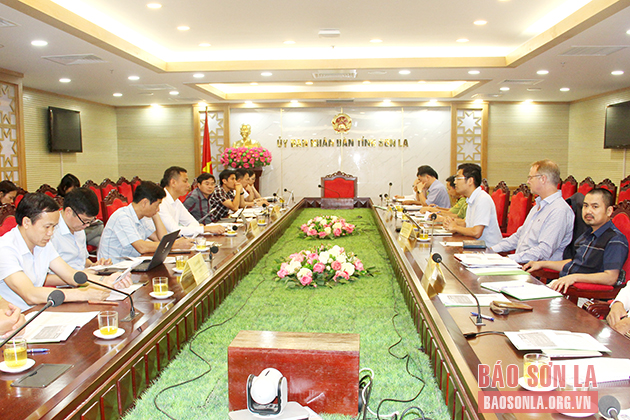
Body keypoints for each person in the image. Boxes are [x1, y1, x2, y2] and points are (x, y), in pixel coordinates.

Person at [0, 193, 132, 311]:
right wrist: (84, 294)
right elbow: (30, 294)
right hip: (16, 320)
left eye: (53, 227)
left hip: (39, 310)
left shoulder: (42, 243)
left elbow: (71, 275)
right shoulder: (5, 249)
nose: (50, 233)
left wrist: (107, 280)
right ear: (26, 222)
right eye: (47, 227)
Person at [524, 188, 629, 293]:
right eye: (585, 206)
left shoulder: (615, 240)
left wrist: (574, 278)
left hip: (584, 294)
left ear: (609, 211)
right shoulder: (587, 234)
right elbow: (574, 263)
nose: (588, 211)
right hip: (565, 286)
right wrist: (542, 264)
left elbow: (610, 277)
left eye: (595, 207)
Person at [491, 160, 574, 263]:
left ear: (543, 179)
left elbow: (544, 251)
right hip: (521, 262)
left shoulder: (559, 210)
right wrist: (491, 250)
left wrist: (509, 259)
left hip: (538, 269)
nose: (528, 181)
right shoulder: (537, 206)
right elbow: (519, 236)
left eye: (531, 177)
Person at [98, 181, 193, 263]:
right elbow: (142, 247)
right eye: (157, 205)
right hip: (113, 268)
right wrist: (175, 245)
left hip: (131, 264)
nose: (158, 209)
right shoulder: (123, 217)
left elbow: (160, 239)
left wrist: (155, 214)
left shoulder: (142, 216)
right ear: (144, 203)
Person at [50, 188, 111, 270]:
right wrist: (80, 274)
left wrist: (95, 265)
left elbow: (82, 260)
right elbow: (46, 274)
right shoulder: (51, 232)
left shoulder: (79, 228)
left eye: (90, 221)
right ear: (69, 212)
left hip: (82, 274)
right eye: (85, 221)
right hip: (65, 277)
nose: (87, 225)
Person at [443, 163, 502, 247]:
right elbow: (467, 223)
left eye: (458, 178)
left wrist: (455, 227)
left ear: (470, 181)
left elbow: (476, 232)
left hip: (488, 249)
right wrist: (451, 222)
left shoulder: (482, 199)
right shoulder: (471, 198)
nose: (455, 182)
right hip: (474, 245)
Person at [158, 166, 225, 236]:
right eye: (185, 181)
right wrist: (204, 229)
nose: (188, 185)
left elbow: (192, 222)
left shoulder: (176, 201)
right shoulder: (160, 202)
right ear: (173, 182)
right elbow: (174, 231)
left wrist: (197, 228)